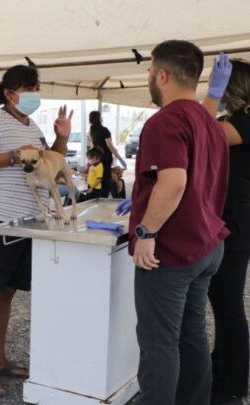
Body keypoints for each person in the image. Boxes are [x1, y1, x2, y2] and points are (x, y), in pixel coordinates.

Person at [0, 64, 72, 397]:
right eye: (29, 89)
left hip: (28, 223)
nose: (35, 94)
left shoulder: (32, 125)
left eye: (37, 88)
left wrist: (61, 138)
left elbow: (51, 165)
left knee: (6, 293)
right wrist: (10, 157)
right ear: (9, 93)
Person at [128, 40, 229, 405]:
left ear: (162, 75)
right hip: (206, 244)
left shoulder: (165, 120)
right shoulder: (209, 121)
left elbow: (173, 182)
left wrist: (146, 232)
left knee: (159, 343)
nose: (149, 78)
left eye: (149, 71)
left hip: (173, 250)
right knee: (191, 334)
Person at [202, 53, 250, 405]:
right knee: (221, 300)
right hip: (225, 221)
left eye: (218, 85)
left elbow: (200, 132)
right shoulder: (233, 120)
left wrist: (212, 95)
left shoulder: (245, 122)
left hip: (237, 223)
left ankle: (232, 385)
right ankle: (220, 368)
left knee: (228, 303)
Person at [88, 110, 126, 197]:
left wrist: (91, 159)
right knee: (106, 180)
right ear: (99, 118)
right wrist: (119, 158)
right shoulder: (104, 130)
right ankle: (108, 197)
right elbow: (110, 146)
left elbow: (92, 145)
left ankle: (100, 197)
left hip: (97, 159)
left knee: (99, 179)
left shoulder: (91, 130)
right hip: (105, 158)